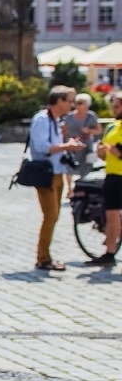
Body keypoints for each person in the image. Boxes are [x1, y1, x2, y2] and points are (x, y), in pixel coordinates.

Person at [30, 85, 85, 271]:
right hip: (45, 173)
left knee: (54, 216)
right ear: (59, 101)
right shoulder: (42, 120)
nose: (71, 105)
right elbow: (41, 147)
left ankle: (45, 255)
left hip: (57, 171)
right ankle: (43, 258)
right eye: (69, 101)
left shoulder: (56, 120)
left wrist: (65, 145)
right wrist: (66, 147)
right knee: (50, 215)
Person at [88, 90, 122, 266]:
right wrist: (102, 153)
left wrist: (119, 153)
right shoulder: (112, 127)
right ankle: (109, 254)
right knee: (112, 216)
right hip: (112, 176)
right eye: (113, 106)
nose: (113, 110)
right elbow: (105, 153)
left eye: (116, 107)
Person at [64, 92, 102, 173]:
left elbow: (99, 130)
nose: (77, 105)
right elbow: (63, 131)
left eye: (80, 103)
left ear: (87, 105)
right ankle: (70, 185)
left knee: (85, 169)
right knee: (69, 168)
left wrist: (89, 131)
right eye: (76, 102)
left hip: (85, 146)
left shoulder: (91, 116)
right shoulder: (69, 116)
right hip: (72, 145)